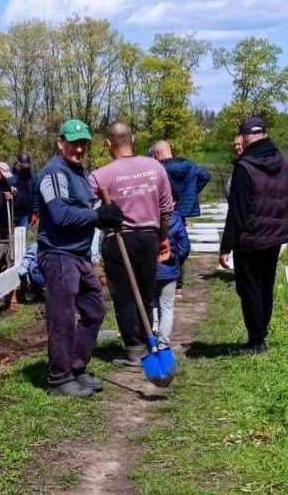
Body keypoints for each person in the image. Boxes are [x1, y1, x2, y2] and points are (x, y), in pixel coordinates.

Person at [37, 118, 125, 398]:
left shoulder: (78, 172)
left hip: (80, 255)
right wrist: (97, 216)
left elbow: (83, 212)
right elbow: (60, 215)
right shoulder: (53, 173)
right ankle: (59, 378)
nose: (79, 149)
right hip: (59, 255)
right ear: (60, 142)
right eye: (74, 143)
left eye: (83, 143)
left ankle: (76, 367)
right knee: (62, 318)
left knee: (95, 310)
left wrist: (102, 217)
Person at [89, 121, 174, 369]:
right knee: (146, 292)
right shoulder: (155, 167)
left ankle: (135, 348)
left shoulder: (100, 174)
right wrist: (162, 237)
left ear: (107, 143)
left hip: (118, 239)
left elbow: (82, 207)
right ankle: (147, 344)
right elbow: (166, 210)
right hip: (148, 236)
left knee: (125, 295)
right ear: (133, 139)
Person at [219, 116, 288, 355]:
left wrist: (225, 247)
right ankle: (261, 334)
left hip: (250, 238)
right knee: (266, 286)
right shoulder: (284, 161)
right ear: (265, 133)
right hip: (274, 236)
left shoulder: (245, 167)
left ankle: (256, 340)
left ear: (244, 136)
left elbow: (237, 213)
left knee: (249, 288)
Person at [149, 140, 211, 297]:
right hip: (182, 211)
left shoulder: (159, 168)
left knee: (165, 243)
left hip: (164, 212)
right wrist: (190, 194)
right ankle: (178, 287)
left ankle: (163, 280)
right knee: (181, 243)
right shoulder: (188, 165)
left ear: (158, 154)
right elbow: (205, 175)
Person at [152, 210, 190, 345]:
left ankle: (152, 333)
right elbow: (185, 247)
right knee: (167, 306)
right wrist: (176, 261)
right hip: (169, 269)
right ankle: (163, 342)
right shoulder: (175, 219)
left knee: (150, 304)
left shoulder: (145, 215)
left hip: (148, 269)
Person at [9, 153, 38, 228]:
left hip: (24, 214)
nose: (24, 169)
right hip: (9, 212)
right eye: (22, 167)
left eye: (26, 167)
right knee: (8, 237)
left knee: (21, 237)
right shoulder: (8, 174)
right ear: (17, 163)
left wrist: (35, 212)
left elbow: (35, 195)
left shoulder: (32, 177)